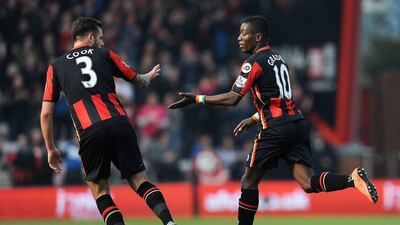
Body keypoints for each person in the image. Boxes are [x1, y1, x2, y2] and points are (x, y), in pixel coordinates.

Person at [169, 15, 378, 225]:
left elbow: (233, 98)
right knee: (307, 183)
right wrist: (253, 118)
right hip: (297, 123)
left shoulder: (253, 63)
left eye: (244, 33)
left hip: (276, 128)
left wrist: (198, 98)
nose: (240, 38)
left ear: (258, 36)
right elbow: (279, 99)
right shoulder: (278, 59)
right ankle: (352, 179)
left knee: (248, 181)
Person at [40, 17, 177, 225]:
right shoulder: (106, 55)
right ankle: (169, 222)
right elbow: (139, 80)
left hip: (90, 131)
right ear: (90, 37)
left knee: (101, 191)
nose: (103, 43)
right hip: (119, 124)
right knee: (141, 181)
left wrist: (51, 149)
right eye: (101, 38)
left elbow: (46, 114)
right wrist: (149, 76)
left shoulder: (56, 67)